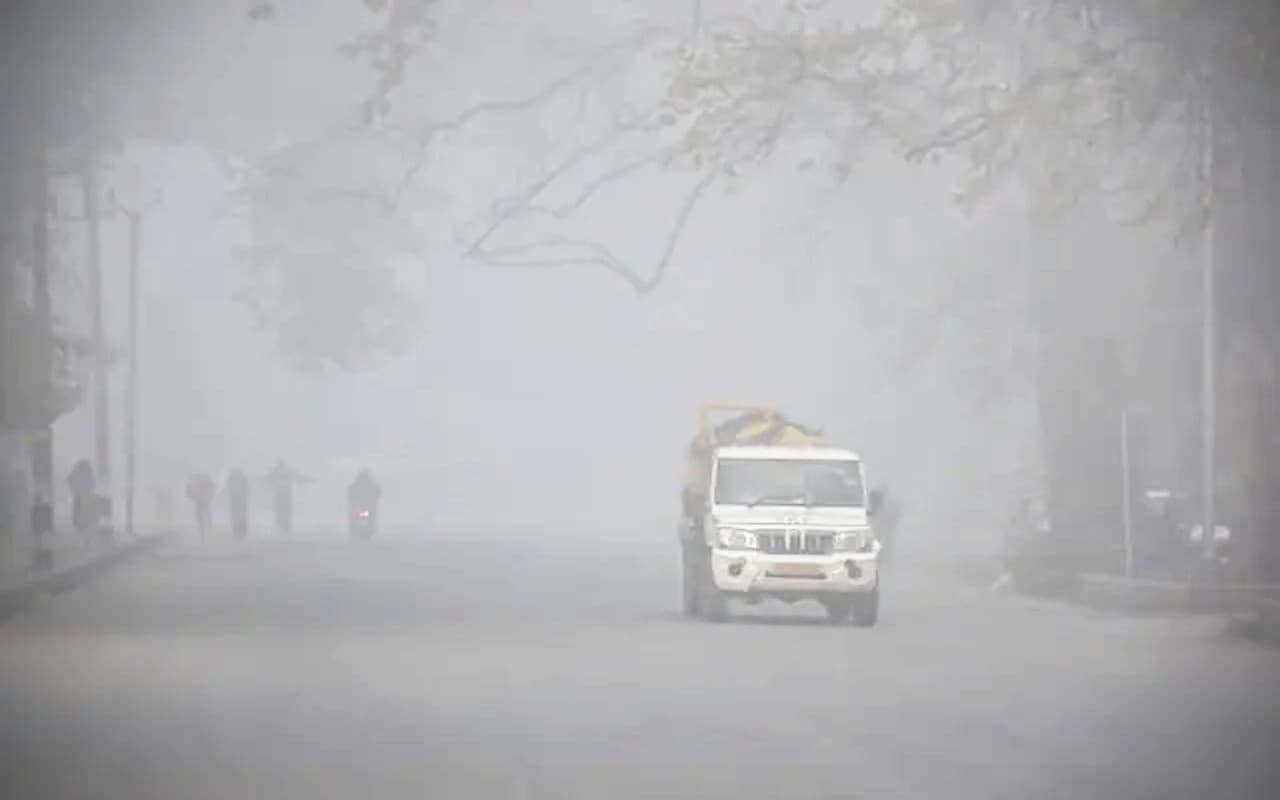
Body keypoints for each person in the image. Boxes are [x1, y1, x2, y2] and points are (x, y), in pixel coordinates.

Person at [266, 460, 310, 537]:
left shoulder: (277, 471)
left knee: (282, 511)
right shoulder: (287, 471)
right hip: (285, 493)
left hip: (281, 494)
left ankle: (283, 527)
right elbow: (299, 477)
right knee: (285, 511)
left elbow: (268, 478)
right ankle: (285, 528)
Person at [347, 468, 382, 537]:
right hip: (362, 506)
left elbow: (378, 491)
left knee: (369, 517)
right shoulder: (367, 482)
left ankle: (360, 528)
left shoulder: (361, 482)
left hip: (366, 506)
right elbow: (350, 491)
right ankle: (356, 528)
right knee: (356, 516)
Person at [67, 458, 96, 537]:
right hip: (84, 496)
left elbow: (69, 480)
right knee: (82, 513)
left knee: (79, 512)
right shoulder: (87, 473)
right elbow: (93, 484)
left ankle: (82, 529)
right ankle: (84, 529)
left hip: (81, 496)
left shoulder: (81, 473)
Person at [186, 472, 216, 540]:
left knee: (201, 516)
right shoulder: (206, 481)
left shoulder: (196, 481)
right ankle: (207, 527)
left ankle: (204, 528)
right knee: (206, 514)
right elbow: (213, 488)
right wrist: (211, 495)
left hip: (200, 501)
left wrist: (191, 497)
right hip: (203, 500)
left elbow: (188, 490)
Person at [227, 468, 250, 540]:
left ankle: (238, 531)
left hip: (236, 499)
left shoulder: (232, 479)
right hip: (240, 499)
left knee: (236, 515)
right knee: (239, 515)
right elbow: (247, 490)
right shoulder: (243, 479)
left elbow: (229, 488)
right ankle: (241, 532)